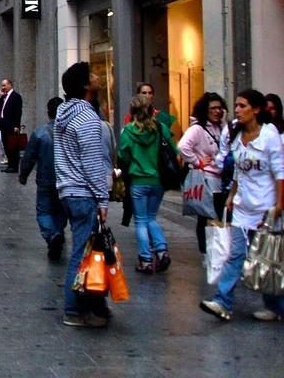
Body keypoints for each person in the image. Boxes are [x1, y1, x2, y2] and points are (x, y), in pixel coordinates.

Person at [201, 89, 284, 322]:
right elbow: (239, 169)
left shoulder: (269, 135)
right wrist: (232, 194)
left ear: (256, 109)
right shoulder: (236, 135)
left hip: (266, 209)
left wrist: (279, 204)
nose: (237, 110)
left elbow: (280, 172)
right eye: (236, 105)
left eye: (242, 105)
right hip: (242, 207)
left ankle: (276, 306)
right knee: (235, 254)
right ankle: (222, 302)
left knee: (266, 259)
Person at [54, 62, 111, 328]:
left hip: (67, 189)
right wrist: (102, 198)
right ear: (86, 85)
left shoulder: (64, 114)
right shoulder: (86, 118)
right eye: (92, 74)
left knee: (83, 250)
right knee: (81, 253)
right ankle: (73, 309)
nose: (97, 76)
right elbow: (92, 162)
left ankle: (92, 304)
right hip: (82, 192)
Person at [118, 94, 178, 274]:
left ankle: (145, 259)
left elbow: (123, 156)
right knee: (151, 218)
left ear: (132, 111)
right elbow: (173, 150)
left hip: (138, 181)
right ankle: (161, 250)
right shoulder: (160, 128)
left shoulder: (128, 131)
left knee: (141, 221)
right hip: (157, 180)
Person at [178, 92, 229, 254]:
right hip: (206, 179)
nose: (217, 111)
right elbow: (183, 146)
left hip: (220, 179)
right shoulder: (198, 128)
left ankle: (215, 250)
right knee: (206, 216)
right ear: (205, 110)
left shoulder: (221, 127)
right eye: (213, 108)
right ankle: (206, 251)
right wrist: (197, 161)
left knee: (217, 216)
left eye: (219, 108)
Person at [20, 97, 67, 261]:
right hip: (65, 180)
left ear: (48, 113)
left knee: (44, 211)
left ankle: (52, 234)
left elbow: (29, 157)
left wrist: (23, 174)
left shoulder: (40, 133)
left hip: (45, 179)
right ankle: (58, 232)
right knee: (60, 210)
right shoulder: (69, 132)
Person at [0, 78, 23, 173]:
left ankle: (14, 166)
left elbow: (18, 112)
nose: (3, 87)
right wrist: (0, 96)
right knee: (6, 145)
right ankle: (10, 164)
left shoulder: (16, 96)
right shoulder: (4, 96)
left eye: (4, 85)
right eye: (2, 85)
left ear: (10, 85)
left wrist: (16, 125)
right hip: (3, 125)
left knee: (12, 146)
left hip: (11, 125)